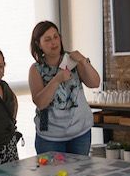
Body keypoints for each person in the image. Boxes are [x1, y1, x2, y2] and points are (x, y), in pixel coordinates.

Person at [28, 21, 100, 155]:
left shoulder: (72, 60)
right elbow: (40, 103)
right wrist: (57, 80)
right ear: (38, 44)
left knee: (80, 169)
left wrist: (84, 61)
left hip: (80, 132)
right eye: (47, 39)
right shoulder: (36, 69)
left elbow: (95, 83)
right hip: (50, 136)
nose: (54, 42)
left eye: (56, 37)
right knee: (51, 169)